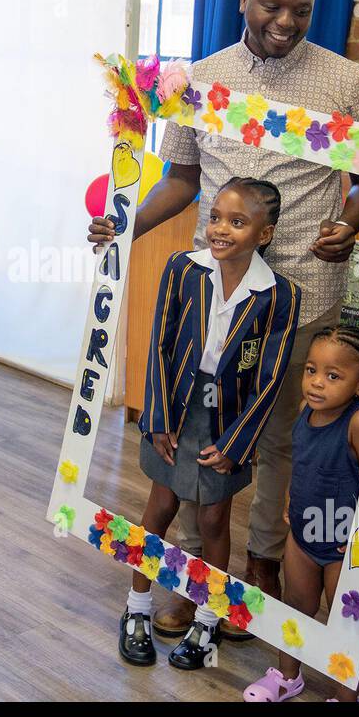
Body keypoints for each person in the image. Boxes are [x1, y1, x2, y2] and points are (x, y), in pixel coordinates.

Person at [90, 0, 359, 640]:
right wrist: (125, 227)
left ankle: (264, 567)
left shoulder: (347, 81)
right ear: (242, 0)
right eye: (272, 6)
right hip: (216, 298)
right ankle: (197, 577)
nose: (286, 22)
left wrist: (350, 221)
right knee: (204, 432)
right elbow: (182, 180)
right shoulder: (199, 81)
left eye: (302, 10)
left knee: (282, 438)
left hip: (302, 296)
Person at [119, 178, 300, 670]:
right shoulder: (183, 269)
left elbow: (270, 376)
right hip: (175, 412)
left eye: (237, 222)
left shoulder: (279, 294)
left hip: (226, 420)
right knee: (160, 506)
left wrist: (237, 443)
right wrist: (156, 418)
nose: (220, 229)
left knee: (216, 519)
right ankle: (136, 608)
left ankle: (207, 619)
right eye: (216, 216)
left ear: (264, 234)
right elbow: (159, 344)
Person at [243, 326, 359, 703]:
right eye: (311, 370)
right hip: (302, 534)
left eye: (333, 376)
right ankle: (287, 678)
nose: (317, 383)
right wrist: (289, 499)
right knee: (296, 607)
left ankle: (346, 697)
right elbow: (302, 464)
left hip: (343, 545)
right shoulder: (305, 411)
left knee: (348, 623)